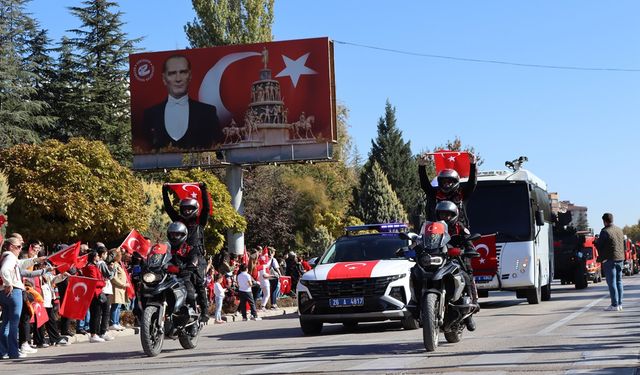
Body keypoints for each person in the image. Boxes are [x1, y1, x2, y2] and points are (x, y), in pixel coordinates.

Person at [144, 54, 222, 151]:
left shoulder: (208, 112)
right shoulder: (150, 114)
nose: (178, 79)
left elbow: (218, 146)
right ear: (164, 79)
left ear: (190, 76)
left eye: (183, 72)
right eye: (172, 73)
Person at [163, 183, 211, 322]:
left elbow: (206, 208)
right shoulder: (179, 221)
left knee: (199, 282)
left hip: (196, 257)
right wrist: (165, 191)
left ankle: (205, 311)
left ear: (195, 209)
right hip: (179, 255)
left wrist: (203, 189)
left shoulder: (199, 222)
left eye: (190, 208)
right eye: (185, 208)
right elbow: (168, 208)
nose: (187, 211)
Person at [432, 200, 479, 331]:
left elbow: (469, 242)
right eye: (442, 214)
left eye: (448, 215)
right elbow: (424, 238)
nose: (445, 217)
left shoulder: (460, 227)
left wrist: (468, 249)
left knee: (466, 274)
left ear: (454, 215)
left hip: (457, 259)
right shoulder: (434, 227)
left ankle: (469, 310)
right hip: (439, 258)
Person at [418, 153, 477, 227]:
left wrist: (473, 164)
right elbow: (425, 185)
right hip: (437, 233)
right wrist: (422, 166)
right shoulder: (435, 193)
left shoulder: (461, 194)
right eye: (444, 182)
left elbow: (472, 183)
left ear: (455, 182)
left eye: (449, 181)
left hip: (459, 233)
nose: (446, 184)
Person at [166, 222, 206, 319]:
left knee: (190, 294)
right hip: (167, 276)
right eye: (172, 234)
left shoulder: (189, 248)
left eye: (177, 234)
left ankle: (194, 317)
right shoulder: (166, 247)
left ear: (183, 235)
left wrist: (190, 265)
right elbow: (158, 256)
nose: (174, 236)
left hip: (183, 275)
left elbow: (194, 258)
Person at [0, 237, 29, 359]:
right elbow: (4, 270)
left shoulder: (6, 257)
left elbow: (22, 263)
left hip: (3, 292)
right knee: (14, 322)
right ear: (11, 247)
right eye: (18, 246)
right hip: (14, 291)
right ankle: (13, 351)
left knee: (6, 322)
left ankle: (3, 351)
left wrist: (36, 260)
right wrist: (8, 283)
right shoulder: (10, 257)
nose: (20, 249)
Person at [595, 213, 625, 311]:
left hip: (610, 259)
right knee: (619, 281)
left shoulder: (605, 231)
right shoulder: (620, 230)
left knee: (612, 283)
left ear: (605, 221)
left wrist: (595, 242)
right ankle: (620, 304)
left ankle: (614, 304)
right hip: (620, 258)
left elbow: (600, 245)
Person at [82, 252, 114, 343]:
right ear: (93, 257)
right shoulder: (91, 267)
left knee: (97, 313)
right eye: (96, 256)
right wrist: (103, 283)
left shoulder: (93, 266)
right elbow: (94, 281)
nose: (98, 257)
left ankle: (96, 333)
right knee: (95, 314)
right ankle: (93, 334)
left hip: (97, 292)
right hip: (95, 293)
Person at [108, 249, 128, 331]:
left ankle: (117, 322)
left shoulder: (118, 265)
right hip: (116, 288)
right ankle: (113, 323)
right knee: (115, 306)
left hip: (120, 289)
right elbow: (114, 278)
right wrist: (123, 284)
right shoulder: (115, 265)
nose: (121, 256)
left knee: (118, 306)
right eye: (119, 255)